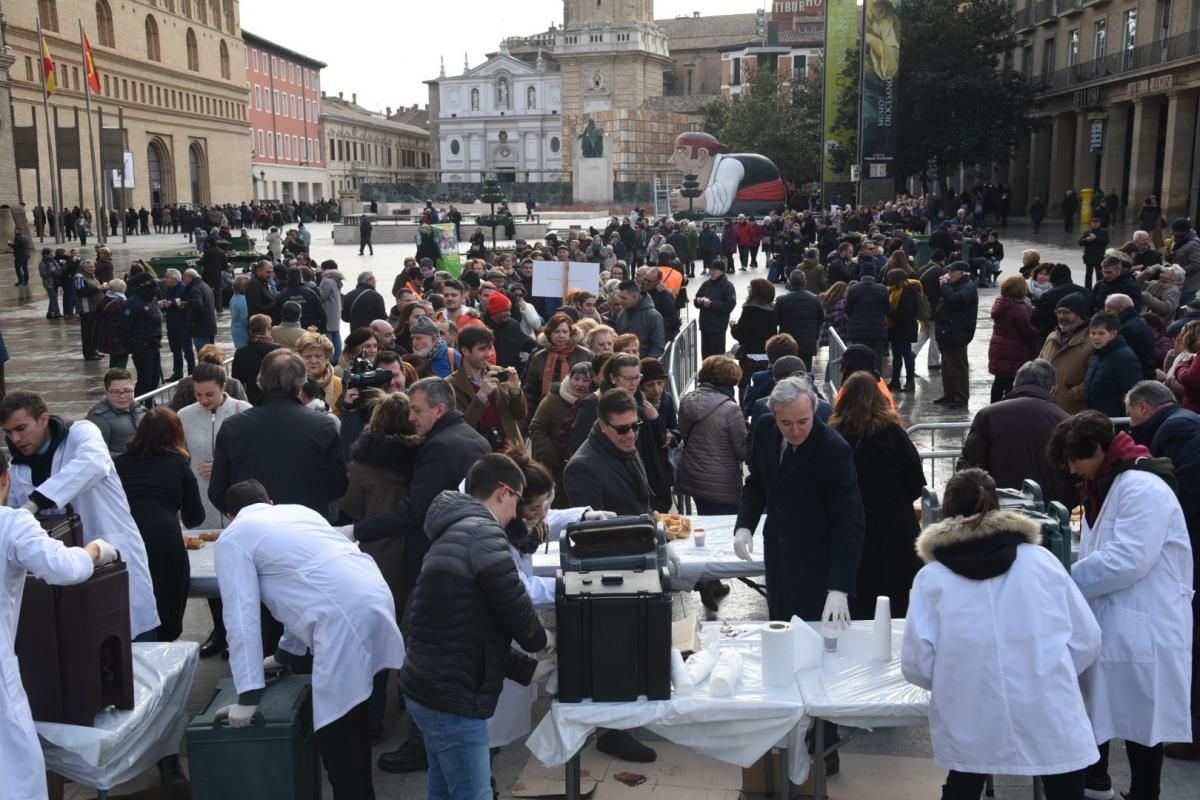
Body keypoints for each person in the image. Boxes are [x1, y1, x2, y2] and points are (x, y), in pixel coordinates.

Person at [902, 467, 1102, 800]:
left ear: (945, 512)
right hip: (1047, 702)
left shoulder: (932, 579)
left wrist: (958, 680)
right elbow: (1087, 638)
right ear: (999, 506)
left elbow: (917, 662)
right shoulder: (1042, 561)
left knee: (964, 782)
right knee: (1064, 784)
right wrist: (1051, 670)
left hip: (970, 707)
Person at [215, 481, 404, 800]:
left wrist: (248, 697)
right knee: (355, 720)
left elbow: (240, 615)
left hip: (340, 618)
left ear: (231, 516)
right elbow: (304, 589)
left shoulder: (234, 537)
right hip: (373, 597)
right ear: (270, 502)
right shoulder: (299, 513)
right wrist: (284, 656)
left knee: (335, 736)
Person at [1048, 413, 1194, 800]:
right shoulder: (1109, 484)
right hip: (1121, 620)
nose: (1071, 468)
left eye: (1074, 459)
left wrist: (1065, 579)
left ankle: (1145, 793)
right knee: (1113, 709)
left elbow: (1129, 558)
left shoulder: (1142, 487)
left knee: (1142, 722)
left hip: (1146, 619)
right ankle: (1097, 782)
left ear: (1097, 449)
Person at [397, 455, 553, 799]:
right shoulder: (485, 534)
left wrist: (529, 670)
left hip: (428, 686)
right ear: (502, 492)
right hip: (451, 695)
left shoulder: (458, 529)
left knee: (443, 788)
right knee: (472, 793)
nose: (516, 513)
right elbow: (513, 602)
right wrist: (546, 643)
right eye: (516, 499)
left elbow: (472, 627)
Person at [735, 375, 863, 770]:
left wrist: (839, 586)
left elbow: (850, 520)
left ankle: (825, 747)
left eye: (802, 422)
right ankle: (789, 732)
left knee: (818, 658)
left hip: (818, 566)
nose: (795, 431)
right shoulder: (764, 432)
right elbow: (757, 482)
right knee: (784, 647)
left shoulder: (833, 449)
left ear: (814, 412)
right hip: (781, 557)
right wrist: (745, 524)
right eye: (787, 423)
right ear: (774, 416)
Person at [0, 447, 118, 800]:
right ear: (5, 480)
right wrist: (96, 550)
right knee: (15, 761)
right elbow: (64, 569)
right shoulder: (10, 522)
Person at [0, 391, 159, 639]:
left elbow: (94, 463)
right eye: (8, 432)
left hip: (111, 554)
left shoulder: (82, 433)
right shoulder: (16, 467)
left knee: (132, 643)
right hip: (64, 569)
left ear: (43, 419)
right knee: (81, 651)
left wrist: (36, 502)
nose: (16, 438)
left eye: (21, 428)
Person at [1126, 380, 1200, 760]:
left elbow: (1181, 493)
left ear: (1142, 408)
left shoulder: (1177, 429)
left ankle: (1192, 733)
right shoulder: (1179, 424)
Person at [209, 350, 348, 521]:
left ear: (260, 381)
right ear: (301, 384)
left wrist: (241, 516)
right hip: (307, 526)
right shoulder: (323, 426)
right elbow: (338, 487)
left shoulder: (233, 427)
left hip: (256, 526)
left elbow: (217, 491)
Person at [828, 372, 924, 617]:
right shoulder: (893, 434)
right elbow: (915, 483)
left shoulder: (834, 437)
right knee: (897, 608)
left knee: (858, 609)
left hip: (852, 532)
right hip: (895, 531)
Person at [114, 408, 205, 641]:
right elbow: (195, 518)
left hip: (126, 533)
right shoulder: (178, 466)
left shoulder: (119, 464)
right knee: (167, 591)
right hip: (163, 534)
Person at [961, 359, 1077, 507]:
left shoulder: (988, 415)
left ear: (1015, 385)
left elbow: (970, 465)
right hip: (1054, 512)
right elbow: (1077, 474)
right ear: (1053, 390)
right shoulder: (1065, 420)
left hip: (1002, 508)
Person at [563, 388, 654, 516]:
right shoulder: (581, 468)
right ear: (603, 426)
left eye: (635, 426)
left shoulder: (623, 444)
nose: (631, 435)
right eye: (622, 429)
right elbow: (593, 529)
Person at [676, 355, 748, 514]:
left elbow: (685, 433)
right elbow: (743, 451)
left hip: (694, 479)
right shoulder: (731, 409)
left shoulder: (687, 401)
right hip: (722, 484)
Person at [449, 326, 527, 450]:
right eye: (481, 349)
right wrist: (481, 395)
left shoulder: (499, 373)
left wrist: (515, 391)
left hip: (510, 451)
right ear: (465, 351)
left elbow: (520, 415)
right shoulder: (451, 385)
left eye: (489, 348)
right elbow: (461, 428)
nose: (488, 354)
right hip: (477, 452)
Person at [1038, 293, 1095, 413]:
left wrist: (1073, 394)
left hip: (1073, 410)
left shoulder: (1092, 341)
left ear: (1080, 314)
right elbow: (1038, 364)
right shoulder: (1052, 337)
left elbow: (1094, 378)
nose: (1061, 317)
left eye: (1066, 312)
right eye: (1058, 312)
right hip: (1046, 405)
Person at [988, 274, 1038, 402]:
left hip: (999, 347)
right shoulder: (1018, 308)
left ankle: (994, 407)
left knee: (999, 381)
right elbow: (1027, 330)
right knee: (1012, 383)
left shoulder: (1001, 303)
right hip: (1014, 350)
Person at [934, 261, 978, 408]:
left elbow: (954, 300)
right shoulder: (958, 285)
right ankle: (949, 395)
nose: (948, 275)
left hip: (957, 333)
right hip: (948, 332)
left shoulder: (968, 287)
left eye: (952, 272)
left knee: (957, 367)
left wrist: (945, 286)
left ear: (961, 273)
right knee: (947, 367)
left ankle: (961, 397)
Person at [1084, 312, 1142, 418]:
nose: (1096, 337)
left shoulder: (1124, 358)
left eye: (1101, 333)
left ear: (1114, 334)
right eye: (1093, 333)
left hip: (1115, 422)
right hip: (1097, 421)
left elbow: (1132, 394)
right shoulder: (1098, 355)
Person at [730, 278, 779, 402]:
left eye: (750, 288)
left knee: (744, 383)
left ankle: (744, 412)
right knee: (765, 383)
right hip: (767, 353)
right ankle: (763, 406)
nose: (749, 290)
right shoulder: (773, 309)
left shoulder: (749, 309)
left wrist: (733, 326)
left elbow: (740, 334)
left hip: (750, 354)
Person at [86, 368, 147, 457]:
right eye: (115, 392)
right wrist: (130, 457)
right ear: (106, 392)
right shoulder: (98, 419)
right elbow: (97, 455)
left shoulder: (138, 408)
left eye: (127, 391)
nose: (122, 396)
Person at [123, 271, 165, 397]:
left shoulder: (152, 300)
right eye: (148, 282)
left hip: (154, 344)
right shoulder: (132, 303)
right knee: (144, 379)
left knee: (154, 379)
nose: (152, 285)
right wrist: (132, 345)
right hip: (141, 346)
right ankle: (139, 404)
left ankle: (149, 404)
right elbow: (124, 328)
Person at [775, 269, 825, 366]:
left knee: (787, 370)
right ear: (805, 282)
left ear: (790, 283)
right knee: (805, 369)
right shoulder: (815, 300)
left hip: (787, 343)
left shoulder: (782, 300)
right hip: (808, 343)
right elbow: (821, 320)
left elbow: (776, 320)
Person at [231, 314, 282, 405]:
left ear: (250, 330)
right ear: (268, 329)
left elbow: (236, 378)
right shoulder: (277, 349)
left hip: (251, 399)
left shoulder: (241, 352)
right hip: (275, 397)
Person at [885, 268, 921, 393]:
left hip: (905, 328)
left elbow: (907, 312)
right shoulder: (897, 290)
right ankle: (895, 380)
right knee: (896, 355)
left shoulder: (908, 291)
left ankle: (910, 381)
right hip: (896, 328)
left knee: (906, 353)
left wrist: (890, 311)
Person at [694, 258, 737, 358]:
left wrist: (711, 304)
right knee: (706, 356)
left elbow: (729, 305)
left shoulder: (727, 286)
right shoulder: (706, 284)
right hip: (705, 327)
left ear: (722, 271)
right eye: (711, 269)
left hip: (718, 328)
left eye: (715, 270)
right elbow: (696, 299)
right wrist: (698, 301)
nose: (712, 272)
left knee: (717, 357)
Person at [612, 280, 666, 359]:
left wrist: (646, 364)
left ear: (635, 296)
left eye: (624, 298)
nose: (620, 301)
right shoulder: (622, 314)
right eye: (620, 297)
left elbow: (658, 346)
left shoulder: (653, 316)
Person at [1079, 217, 1110, 290]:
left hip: (1099, 257)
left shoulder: (1104, 232)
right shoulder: (1087, 232)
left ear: (1099, 224)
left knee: (1099, 274)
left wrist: (1095, 238)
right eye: (1093, 223)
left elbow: (1105, 242)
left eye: (1096, 223)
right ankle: (1087, 289)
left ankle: (1099, 288)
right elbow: (1080, 243)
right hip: (1088, 257)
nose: (1094, 225)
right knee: (1088, 275)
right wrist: (1087, 240)